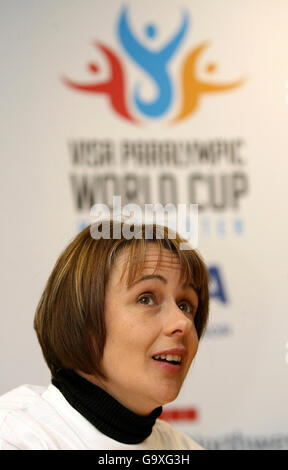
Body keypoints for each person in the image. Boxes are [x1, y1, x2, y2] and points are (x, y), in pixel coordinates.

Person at [0, 220, 209, 450]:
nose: (183, 323)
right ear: (82, 317)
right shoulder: (15, 435)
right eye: (146, 299)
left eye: (186, 305)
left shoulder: (185, 449)